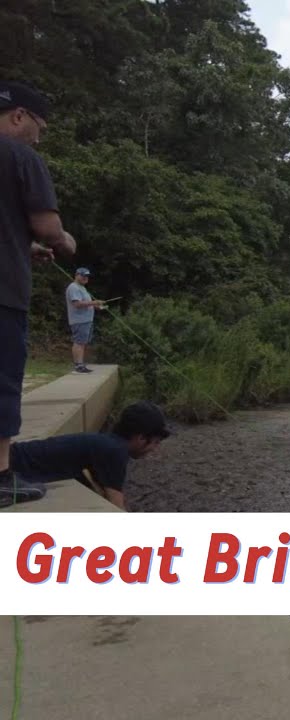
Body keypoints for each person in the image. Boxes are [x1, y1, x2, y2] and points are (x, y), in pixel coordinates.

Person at [0, 80, 76, 493]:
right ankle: (1, 478)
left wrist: (22, 246)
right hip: (3, 295)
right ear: (19, 116)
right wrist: (64, 242)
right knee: (3, 382)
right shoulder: (19, 155)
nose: (39, 138)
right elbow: (49, 228)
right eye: (39, 128)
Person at [3, 401, 172, 511]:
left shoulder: (105, 443)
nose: (154, 449)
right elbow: (116, 505)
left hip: (11, 457)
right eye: (155, 442)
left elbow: (100, 486)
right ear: (141, 437)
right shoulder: (116, 451)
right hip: (13, 467)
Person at [66, 266, 105, 373]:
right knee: (78, 342)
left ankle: (80, 364)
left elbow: (86, 304)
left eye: (87, 276)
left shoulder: (82, 288)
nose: (86, 278)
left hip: (86, 320)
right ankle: (78, 365)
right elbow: (77, 304)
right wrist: (94, 302)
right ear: (77, 275)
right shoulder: (74, 287)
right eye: (83, 275)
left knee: (82, 342)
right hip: (79, 320)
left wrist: (97, 306)